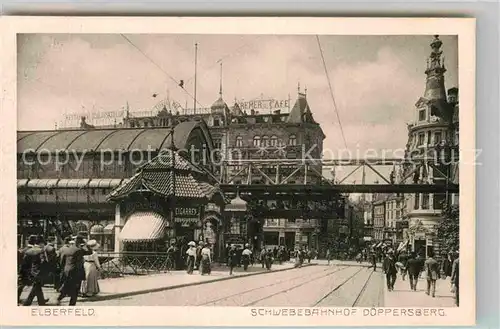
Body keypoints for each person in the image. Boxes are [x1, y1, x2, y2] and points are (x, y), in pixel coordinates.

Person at [56, 235, 92, 306]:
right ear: (80, 243)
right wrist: (86, 244)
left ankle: (59, 298)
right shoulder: (79, 250)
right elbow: (89, 252)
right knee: (75, 289)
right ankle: (72, 305)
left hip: (67, 270)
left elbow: (62, 261)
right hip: (75, 272)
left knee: (67, 286)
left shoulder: (67, 249)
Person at [21, 235, 49, 306]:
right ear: (41, 243)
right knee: (36, 287)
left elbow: (24, 263)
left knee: (37, 287)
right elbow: (44, 262)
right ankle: (27, 303)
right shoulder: (41, 251)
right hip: (39, 273)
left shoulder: (28, 251)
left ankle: (41, 302)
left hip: (30, 273)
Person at [18, 235, 36, 304]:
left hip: (22, 270)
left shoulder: (23, 250)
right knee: (22, 285)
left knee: (22, 285)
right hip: (29, 271)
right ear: (34, 242)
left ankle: (41, 300)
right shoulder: (32, 251)